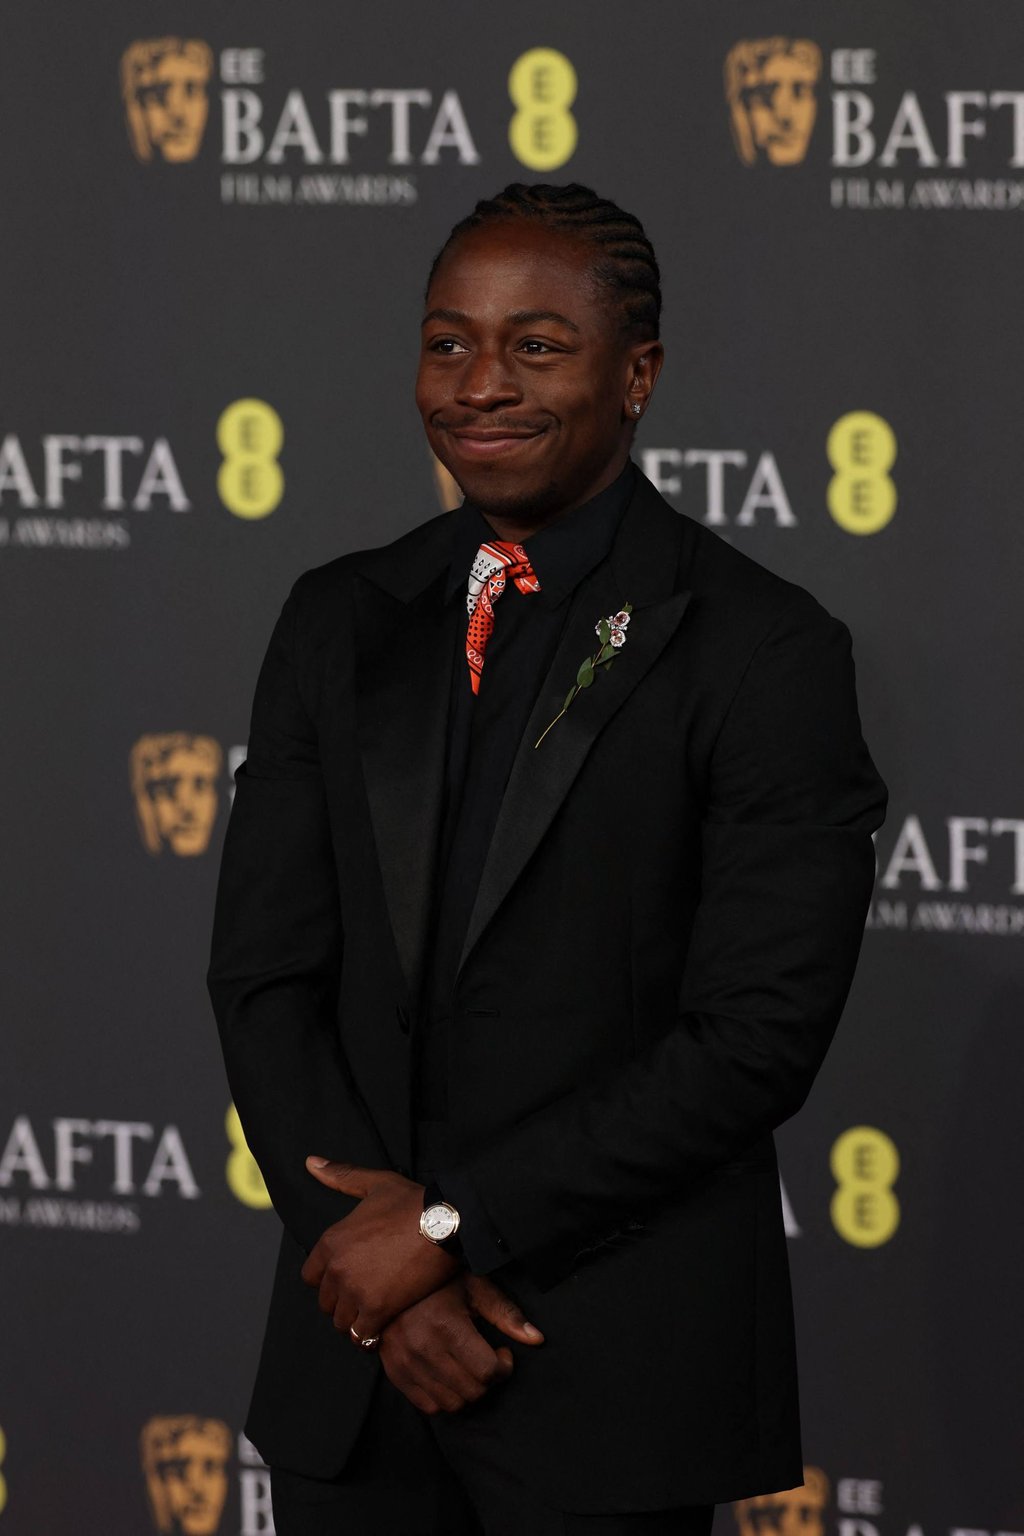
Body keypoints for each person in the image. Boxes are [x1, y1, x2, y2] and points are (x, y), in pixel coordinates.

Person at [207, 182, 887, 1536]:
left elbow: (752, 1040)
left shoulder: (763, 650)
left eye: (535, 345)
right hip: (359, 1383)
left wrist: (447, 1232)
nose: (479, 385)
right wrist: (381, 1274)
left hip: (605, 1387)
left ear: (636, 376)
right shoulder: (337, 619)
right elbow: (265, 976)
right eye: (447, 341)